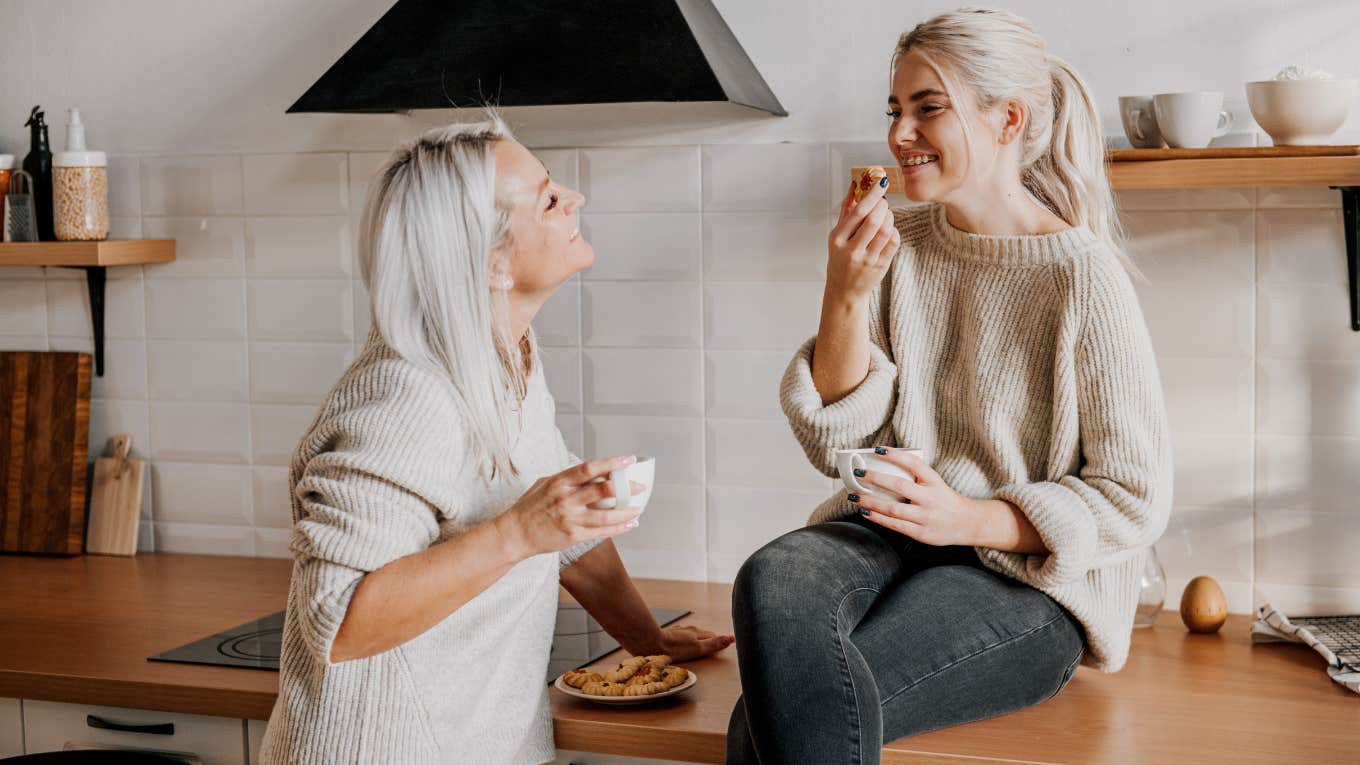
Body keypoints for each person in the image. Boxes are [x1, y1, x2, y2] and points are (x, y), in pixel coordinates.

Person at [728, 9, 1173, 763]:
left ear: (1007, 119)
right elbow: (835, 442)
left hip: (1027, 581)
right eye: (895, 110)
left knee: (765, 722)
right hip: (891, 532)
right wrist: (844, 296)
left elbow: (1134, 494)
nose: (900, 132)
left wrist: (967, 517)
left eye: (927, 108)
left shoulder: (1082, 277)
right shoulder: (899, 245)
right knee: (773, 573)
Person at [257, 117, 733, 764]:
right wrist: (519, 532)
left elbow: (570, 529)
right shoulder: (403, 397)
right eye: (547, 197)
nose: (575, 198)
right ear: (493, 263)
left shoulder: (509, 357)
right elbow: (337, 623)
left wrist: (649, 638)